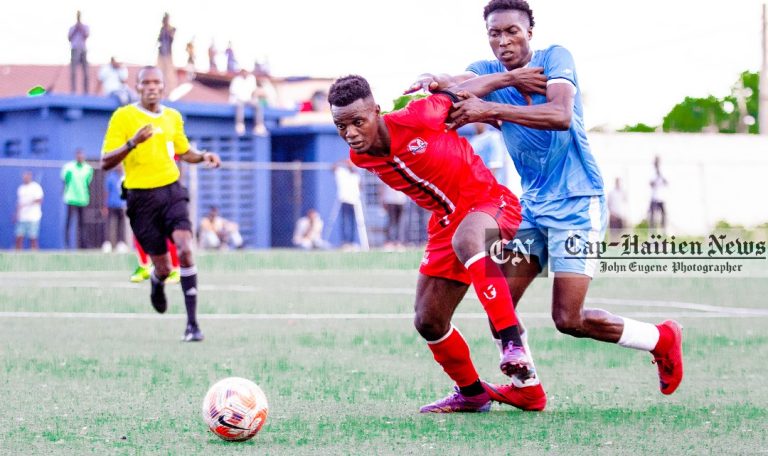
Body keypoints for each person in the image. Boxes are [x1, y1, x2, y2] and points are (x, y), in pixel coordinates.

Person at [407, 0, 683, 396]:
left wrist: (489, 108)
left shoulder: (555, 58)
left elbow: (560, 114)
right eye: (494, 34)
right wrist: (435, 79)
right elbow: (457, 83)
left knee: (568, 319)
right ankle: (527, 386)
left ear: (529, 32)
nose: (503, 41)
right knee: (498, 301)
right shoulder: (488, 71)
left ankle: (661, 339)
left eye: (511, 31)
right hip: (533, 208)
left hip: (577, 203)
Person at [329, 75, 545, 413]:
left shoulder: (420, 116)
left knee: (469, 238)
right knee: (428, 319)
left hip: (487, 201)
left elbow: (461, 91)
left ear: (377, 111)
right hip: (445, 225)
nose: (351, 133)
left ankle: (512, 345)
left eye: (358, 122)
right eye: (341, 126)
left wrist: (512, 78)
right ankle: (472, 393)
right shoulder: (361, 157)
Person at [101, 66, 222, 342]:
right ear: (138, 86)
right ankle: (157, 282)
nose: (153, 87)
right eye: (147, 83)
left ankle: (192, 325)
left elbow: (184, 151)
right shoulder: (124, 116)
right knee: (164, 267)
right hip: (140, 199)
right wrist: (133, 142)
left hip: (171, 191)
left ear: (163, 87)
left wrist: (203, 156)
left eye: (158, 82)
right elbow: (106, 161)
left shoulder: (172, 117)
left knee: (185, 248)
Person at [61, 148, 93, 249]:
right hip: (71, 198)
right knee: (69, 221)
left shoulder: (88, 168)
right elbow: (65, 180)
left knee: (82, 223)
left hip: (82, 199)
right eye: (78, 155)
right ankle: (67, 244)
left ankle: (84, 245)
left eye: (82, 155)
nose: (80, 157)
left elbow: (88, 182)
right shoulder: (68, 167)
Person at [332, 160, 362, 249]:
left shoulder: (356, 175)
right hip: (344, 200)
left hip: (354, 201)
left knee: (353, 222)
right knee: (345, 221)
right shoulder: (342, 172)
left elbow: (360, 187)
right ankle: (345, 241)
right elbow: (333, 167)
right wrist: (343, 162)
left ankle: (352, 241)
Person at [229, 68, 267, 136]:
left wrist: (256, 97)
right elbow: (233, 92)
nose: (245, 73)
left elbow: (254, 91)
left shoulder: (252, 79)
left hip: (249, 100)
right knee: (239, 106)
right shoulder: (236, 80)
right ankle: (240, 125)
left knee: (258, 105)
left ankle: (259, 126)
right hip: (239, 99)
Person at [102, 164, 129, 252]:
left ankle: (120, 243)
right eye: (118, 165)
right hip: (111, 205)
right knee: (110, 225)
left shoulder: (125, 177)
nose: (119, 167)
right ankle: (108, 243)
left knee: (121, 225)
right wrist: (105, 206)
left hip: (121, 205)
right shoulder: (110, 177)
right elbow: (106, 192)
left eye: (121, 165)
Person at [15, 171, 44, 250]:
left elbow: (39, 200)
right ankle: (17, 256)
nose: (25, 178)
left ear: (30, 177)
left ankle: (35, 256)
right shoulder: (21, 188)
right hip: (22, 217)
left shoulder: (36, 187)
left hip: (33, 217)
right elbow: (19, 203)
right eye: (24, 177)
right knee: (19, 237)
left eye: (27, 176)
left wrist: (28, 203)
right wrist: (17, 214)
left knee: (33, 238)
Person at [68, 10, 89, 94]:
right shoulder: (72, 27)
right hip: (74, 49)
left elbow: (86, 35)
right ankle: (73, 91)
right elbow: (69, 38)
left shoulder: (85, 26)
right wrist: (76, 28)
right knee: (73, 71)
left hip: (83, 49)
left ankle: (86, 91)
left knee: (86, 72)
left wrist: (80, 27)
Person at [380, 184, 407, 249]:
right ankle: (389, 242)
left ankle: (399, 242)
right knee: (391, 222)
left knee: (400, 223)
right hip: (390, 200)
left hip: (401, 200)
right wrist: (382, 200)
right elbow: (382, 187)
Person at [157, 13, 177, 92]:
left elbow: (171, 38)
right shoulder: (162, 29)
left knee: (169, 73)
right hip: (161, 54)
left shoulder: (171, 29)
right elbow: (159, 40)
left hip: (168, 54)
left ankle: (170, 90)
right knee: (160, 72)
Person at [649, 155, 668, 232]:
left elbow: (666, 182)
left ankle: (663, 234)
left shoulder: (663, 171)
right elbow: (650, 183)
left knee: (663, 217)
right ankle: (652, 236)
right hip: (654, 198)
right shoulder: (651, 171)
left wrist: (660, 175)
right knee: (652, 217)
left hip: (662, 198)